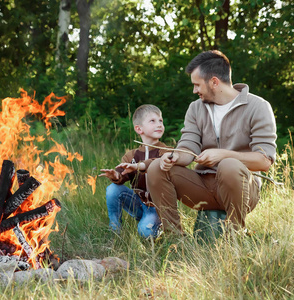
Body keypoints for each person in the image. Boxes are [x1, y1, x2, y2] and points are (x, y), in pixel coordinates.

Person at [144, 50, 277, 234]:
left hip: (241, 189)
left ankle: (235, 235)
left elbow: (264, 161)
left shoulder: (258, 107)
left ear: (214, 82)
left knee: (229, 165)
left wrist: (223, 155)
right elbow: (187, 146)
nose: (194, 90)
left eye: (197, 85)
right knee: (157, 167)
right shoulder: (195, 108)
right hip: (203, 187)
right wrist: (174, 156)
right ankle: (174, 239)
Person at [99, 104, 169, 238]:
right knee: (113, 189)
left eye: (161, 120)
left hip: (158, 208)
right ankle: (115, 230)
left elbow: (158, 163)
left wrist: (140, 166)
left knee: (145, 232)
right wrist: (115, 175)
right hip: (138, 203)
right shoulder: (131, 155)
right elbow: (121, 176)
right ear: (139, 129)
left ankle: (158, 226)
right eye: (153, 121)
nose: (159, 124)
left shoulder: (166, 151)